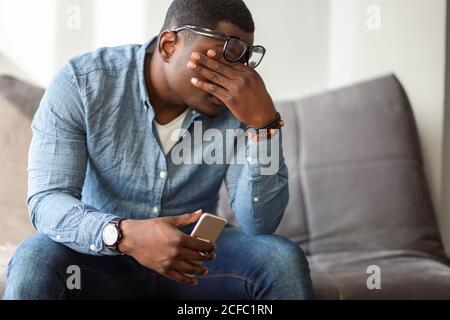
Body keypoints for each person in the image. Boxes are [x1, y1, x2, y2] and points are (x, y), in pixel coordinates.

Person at [4, 0, 314, 300]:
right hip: (101, 253)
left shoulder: (240, 103)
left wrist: (265, 126)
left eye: (244, 59)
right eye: (221, 59)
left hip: (194, 259)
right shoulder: (83, 83)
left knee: (281, 259)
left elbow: (259, 223)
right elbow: (47, 201)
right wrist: (122, 235)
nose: (235, 76)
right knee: (34, 256)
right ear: (169, 45)